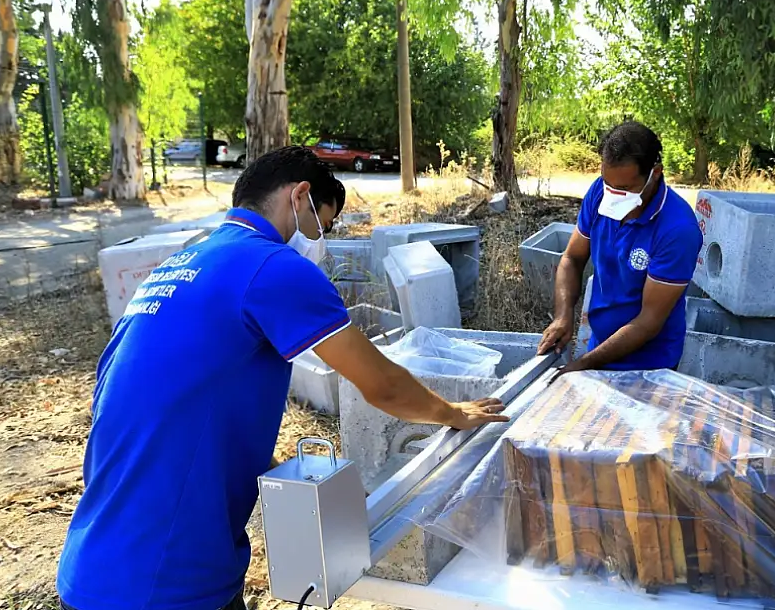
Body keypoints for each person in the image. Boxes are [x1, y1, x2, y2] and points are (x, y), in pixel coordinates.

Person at [56, 147, 507, 610]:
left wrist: (271, 469)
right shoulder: (273, 265)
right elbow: (382, 385)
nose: (320, 240)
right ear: (301, 196)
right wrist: (452, 412)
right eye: (322, 225)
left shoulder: (183, 263)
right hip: (166, 579)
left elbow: (151, 394)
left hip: (93, 562)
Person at [538, 120, 704, 372]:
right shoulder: (599, 193)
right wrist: (563, 316)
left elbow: (648, 323)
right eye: (609, 184)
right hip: (599, 347)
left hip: (649, 365)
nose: (614, 194)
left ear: (654, 173)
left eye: (625, 188)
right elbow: (571, 258)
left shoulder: (677, 230)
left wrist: (584, 364)